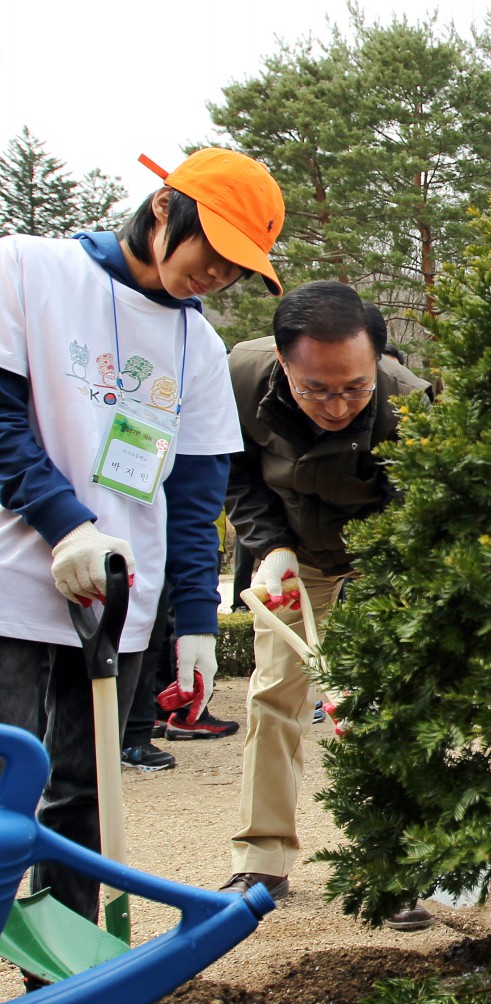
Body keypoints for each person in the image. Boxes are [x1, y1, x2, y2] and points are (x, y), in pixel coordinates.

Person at [0, 146, 285, 927]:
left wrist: (194, 619)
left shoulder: (197, 347)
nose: (217, 278)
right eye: (214, 254)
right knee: (3, 780)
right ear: (165, 210)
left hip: (121, 597)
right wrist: (66, 526)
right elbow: (1, 424)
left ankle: (63, 975)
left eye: (238, 270)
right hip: (14, 580)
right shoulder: (28, 270)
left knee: (84, 795)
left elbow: (195, 497)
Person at [222, 282, 435, 930]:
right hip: (295, 550)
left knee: (382, 700)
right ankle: (263, 857)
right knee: (275, 690)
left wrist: (378, 610)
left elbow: (420, 514)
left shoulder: (411, 404)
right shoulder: (241, 376)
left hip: (379, 547)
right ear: (286, 364)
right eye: (319, 389)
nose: (338, 404)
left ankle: (393, 862)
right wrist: (270, 548)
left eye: (355, 387)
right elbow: (233, 471)